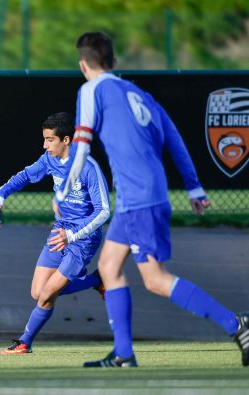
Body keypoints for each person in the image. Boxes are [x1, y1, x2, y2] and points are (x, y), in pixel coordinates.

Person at [54, 31, 249, 368]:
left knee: (155, 279)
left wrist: (62, 191)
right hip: (147, 196)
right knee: (109, 266)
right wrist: (194, 188)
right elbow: (174, 138)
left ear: (83, 64)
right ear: (114, 63)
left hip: (137, 200)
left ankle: (238, 325)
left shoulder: (90, 89)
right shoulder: (139, 93)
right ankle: (124, 353)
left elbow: (81, 147)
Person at [0, 112, 110, 354]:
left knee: (46, 294)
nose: (45, 145)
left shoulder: (88, 167)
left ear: (66, 140)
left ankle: (24, 342)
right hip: (59, 232)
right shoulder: (49, 159)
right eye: (44, 139)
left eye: (49, 139)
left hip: (82, 239)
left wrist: (73, 236)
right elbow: (24, 176)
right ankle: (97, 280)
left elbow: (104, 211)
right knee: (38, 292)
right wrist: (0, 195)